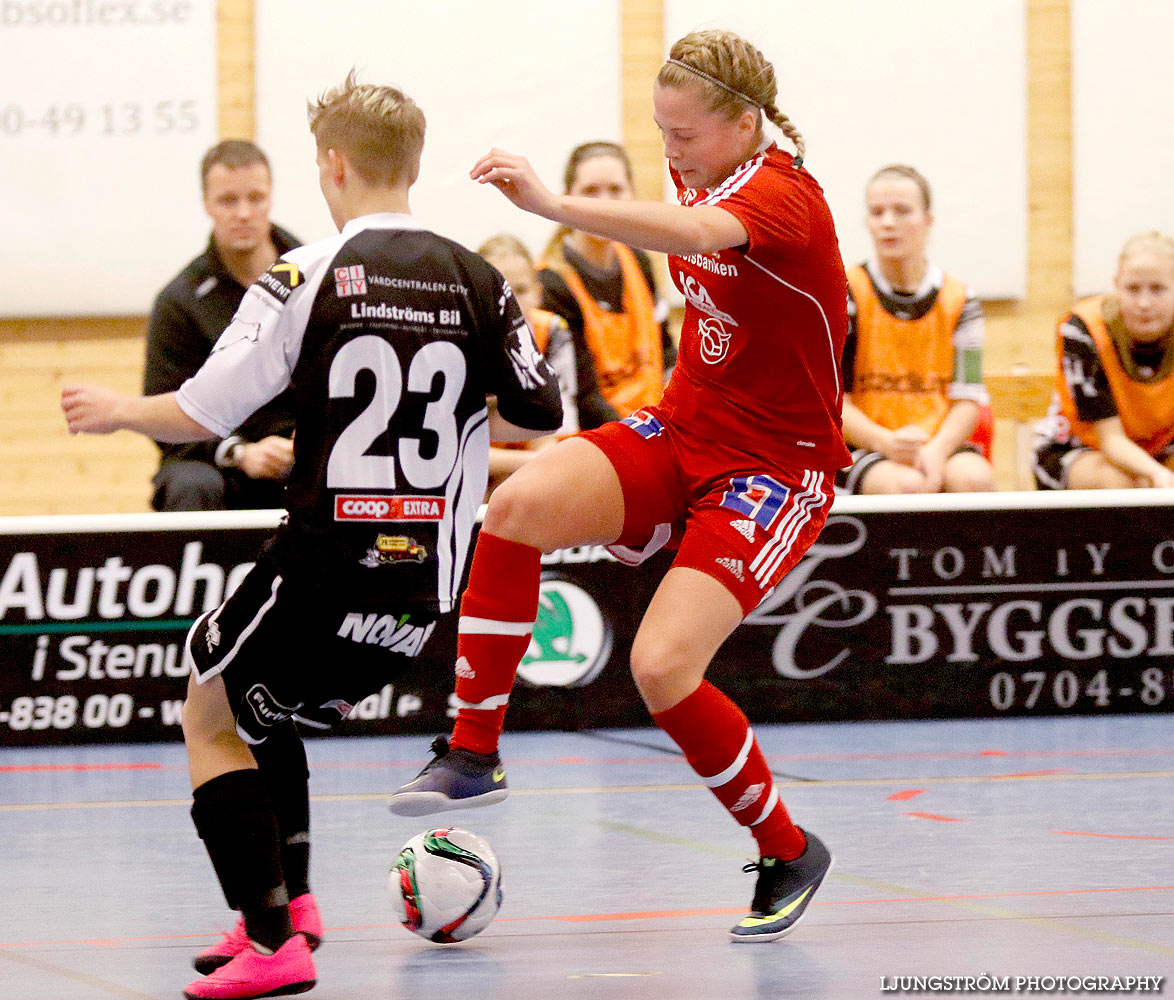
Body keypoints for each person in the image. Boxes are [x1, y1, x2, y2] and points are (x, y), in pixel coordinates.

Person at [62, 71, 562, 1000]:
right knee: (264, 708)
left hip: (328, 563)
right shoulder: (480, 276)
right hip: (424, 589)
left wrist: (116, 411)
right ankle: (291, 906)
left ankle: (271, 940)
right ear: (412, 165)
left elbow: (205, 408)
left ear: (331, 165)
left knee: (209, 704)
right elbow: (542, 411)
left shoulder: (307, 272)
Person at [389, 29, 844, 944]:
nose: (670, 154)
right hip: (684, 429)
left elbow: (699, 232)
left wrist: (556, 205)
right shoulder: (700, 165)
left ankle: (789, 850)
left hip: (773, 467)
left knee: (661, 669)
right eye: (660, 133)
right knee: (512, 511)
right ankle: (474, 752)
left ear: (745, 122)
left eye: (683, 137)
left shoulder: (783, 194)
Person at [144, 140, 299, 512]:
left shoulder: (317, 279)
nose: (244, 213)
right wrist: (239, 452)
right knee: (190, 483)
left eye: (256, 198)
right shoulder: (179, 301)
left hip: (302, 455)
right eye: (228, 201)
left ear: (271, 198)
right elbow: (161, 411)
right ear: (207, 204)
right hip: (218, 462)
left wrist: (305, 444)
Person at [838, 164, 995, 494]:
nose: (888, 223)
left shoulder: (962, 300)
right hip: (863, 442)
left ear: (928, 220)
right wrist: (886, 443)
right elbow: (833, 402)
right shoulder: (844, 293)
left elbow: (968, 398)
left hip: (936, 439)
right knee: (907, 485)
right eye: (877, 212)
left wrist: (936, 452)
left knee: (975, 478)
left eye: (902, 211)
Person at [539, 140, 676, 419]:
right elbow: (583, 398)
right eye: (590, 191)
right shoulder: (551, 281)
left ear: (632, 195)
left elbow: (667, 352)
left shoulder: (639, 260)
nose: (604, 204)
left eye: (615, 190)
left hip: (655, 420)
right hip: (601, 436)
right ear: (567, 197)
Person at [1033, 231, 1174, 489]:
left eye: (1157, 289)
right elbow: (1111, 440)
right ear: (1116, 285)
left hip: (1162, 449)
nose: (1144, 303)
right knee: (1127, 480)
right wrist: (1157, 474)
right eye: (1132, 289)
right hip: (1079, 449)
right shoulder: (1083, 329)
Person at [479, 234, 579, 494]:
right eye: (498, 291)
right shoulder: (464, 339)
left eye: (520, 290)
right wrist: (529, 463)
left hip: (531, 468)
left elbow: (558, 432)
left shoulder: (554, 330)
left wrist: (532, 466)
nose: (510, 303)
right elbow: (455, 448)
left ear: (538, 292)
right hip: (479, 471)